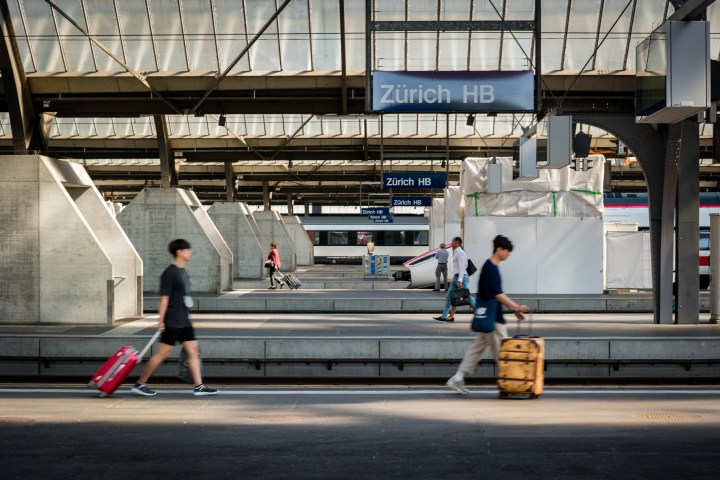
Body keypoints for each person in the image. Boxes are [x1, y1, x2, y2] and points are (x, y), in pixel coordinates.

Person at [131, 239, 219, 396]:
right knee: (163, 353)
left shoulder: (183, 271)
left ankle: (198, 386)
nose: (190, 252)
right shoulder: (169, 273)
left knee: (193, 350)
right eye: (187, 249)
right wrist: (161, 320)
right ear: (179, 252)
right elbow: (164, 298)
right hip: (172, 320)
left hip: (184, 320)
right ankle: (140, 383)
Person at [445, 235, 530, 395]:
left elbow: (497, 294)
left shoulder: (491, 267)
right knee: (503, 353)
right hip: (493, 320)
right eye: (507, 251)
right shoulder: (491, 268)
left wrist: (514, 309)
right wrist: (517, 307)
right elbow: (498, 294)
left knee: (476, 350)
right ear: (499, 249)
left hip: (487, 317)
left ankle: (458, 377)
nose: (508, 254)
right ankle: (510, 384)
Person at [434, 237, 476, 322]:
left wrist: (459, 280)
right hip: (457, 278)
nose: (451, 243)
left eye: (453, 241)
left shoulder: (460, 253)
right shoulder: (456, 252)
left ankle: (480, 313)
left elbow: (461, 267)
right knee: (450, 297)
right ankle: (445, 316)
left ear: (457, 243)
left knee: (467, 297)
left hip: (461, 278)